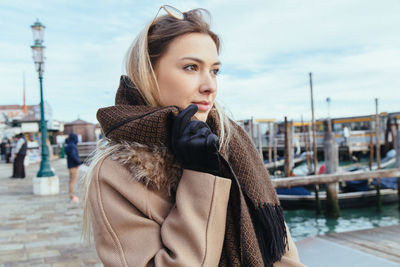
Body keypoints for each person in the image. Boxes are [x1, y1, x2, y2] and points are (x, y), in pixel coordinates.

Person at [83, 6, 304, 267]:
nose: (210, 86)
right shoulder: (115, 172)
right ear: (149, 74)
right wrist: (201, 175)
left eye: (214, 70)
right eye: (190, 67)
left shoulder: (230, 142)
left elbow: (282, 252)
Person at [65, 133, 81, 203]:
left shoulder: (68, 145)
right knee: (73, 182)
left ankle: (71, 195)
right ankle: (72, 196)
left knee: (71, 181)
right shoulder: (72, 146)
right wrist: (79, 162)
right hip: (74, 166)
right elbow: (73, 155)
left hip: (70, 166)